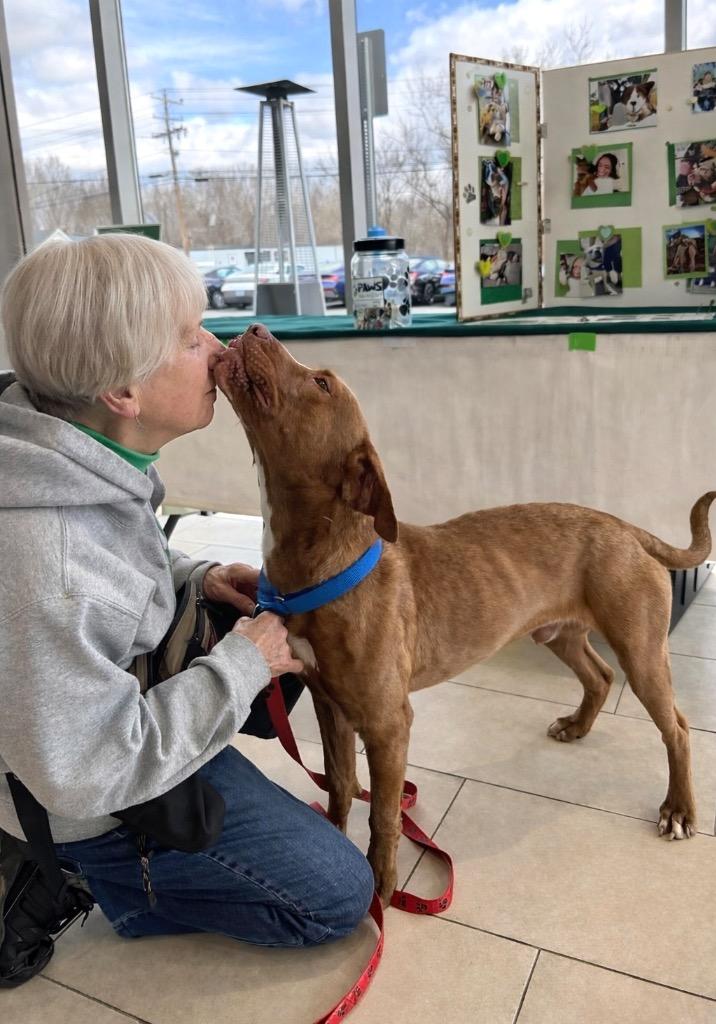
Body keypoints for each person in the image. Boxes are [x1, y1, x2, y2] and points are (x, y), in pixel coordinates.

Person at [0, 233, 373, 954]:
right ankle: (108, 885)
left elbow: (116, 553)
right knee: (336, 899)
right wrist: (243, 667)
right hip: (92, 795)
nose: (218, 347)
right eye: (189, 337)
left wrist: (190, 578)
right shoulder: (50, 568)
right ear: (123, 392)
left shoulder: (64, 444)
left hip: (101, 713)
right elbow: (90, 772)